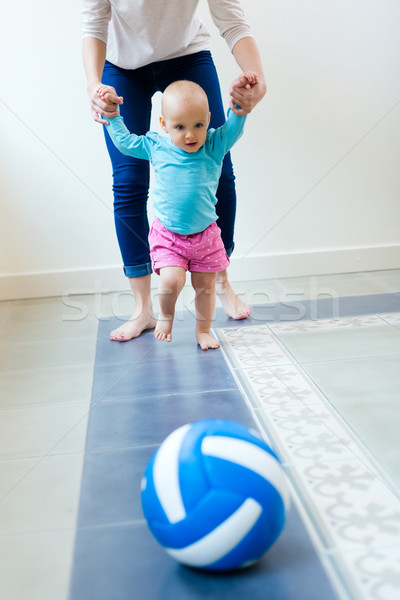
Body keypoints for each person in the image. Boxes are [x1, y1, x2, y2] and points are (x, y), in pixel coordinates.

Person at [82, 0, 266, 341]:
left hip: (187, 56)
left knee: (219, 171)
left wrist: (259, 82)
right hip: (123, 66)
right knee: (128, 182)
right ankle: (143, 309)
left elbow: (233, 21)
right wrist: (95, 86)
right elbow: (94, 24)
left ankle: (218, 276)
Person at [99, 76, 257, 349]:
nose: (190, 134)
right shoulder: (156, 146)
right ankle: (165, 317)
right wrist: (113, 117)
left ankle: (203, 331)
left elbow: (233, 129)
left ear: (208, 119)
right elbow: (125, 143)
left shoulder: (213, 144)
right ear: (164, 125)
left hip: (206, 236)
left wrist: (238, 109)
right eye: (180, 127)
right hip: (169, 235)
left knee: (204, 288)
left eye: (198, 125)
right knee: (172, 279)